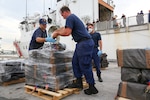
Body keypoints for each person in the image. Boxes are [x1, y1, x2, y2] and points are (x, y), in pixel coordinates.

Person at [52, 6, 98, 95]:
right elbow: (64, 28)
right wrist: (56, 31)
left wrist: (57, 33)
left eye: (62, 15)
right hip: (81, 43)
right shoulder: (73, 18)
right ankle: (78, 82)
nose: (62, 17)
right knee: (75, 62)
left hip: (84, 43)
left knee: (85, 64)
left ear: (65, 12)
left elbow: (67, 32)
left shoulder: (70, 17)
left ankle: (92, 87)